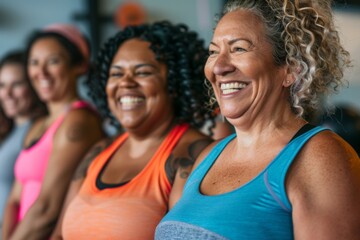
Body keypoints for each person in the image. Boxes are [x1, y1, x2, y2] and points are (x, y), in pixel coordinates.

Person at [155, 1, 360, 239]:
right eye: (213, 52)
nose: (218, 66)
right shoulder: (207, 157)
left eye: (239, 49)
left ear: (291, 69)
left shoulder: (320, 157)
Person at [53, 21, 214, 240]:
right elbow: (58, 235)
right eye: (116, 74)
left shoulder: (194, 154)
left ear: (174, 84)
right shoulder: (100, 150)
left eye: (143, 72)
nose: (126, 83)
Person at [2, 24, 105, 240]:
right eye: (34, 62)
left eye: (53, 61)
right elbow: (14, 199)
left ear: (78, 66)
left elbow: (47, 209)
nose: (41, 72)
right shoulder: (38, 125)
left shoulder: (79, 121)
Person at [0, 50, 47, 233]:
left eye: (17, 84)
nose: (8, 93)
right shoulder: (12, 131)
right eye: (2, 85)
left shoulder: (36, 131)